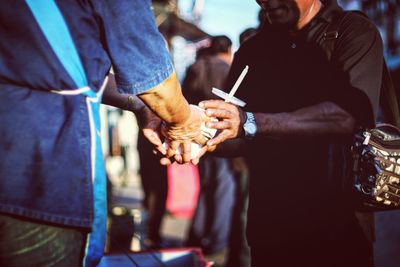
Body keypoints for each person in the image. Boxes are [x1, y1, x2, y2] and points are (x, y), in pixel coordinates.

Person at [0, 1, 207, 266]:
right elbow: (154, 82)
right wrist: (184, 120)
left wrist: (142, 107)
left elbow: (83, 77)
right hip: (42, 171)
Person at [199, 0, 383, 266]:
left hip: (337, 228)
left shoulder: (353, 31)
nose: (268, 2)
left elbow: (345, 116)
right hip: (271, 225)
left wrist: (252, 122)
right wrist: (197, 133)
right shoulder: (253, 50)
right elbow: (236, 134)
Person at [182, 36, 237, 259]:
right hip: (223, 136)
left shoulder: (196, 68)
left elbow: (183, 100)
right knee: (223, 188)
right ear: (228, 49)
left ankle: (196, 235)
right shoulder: (228, 69)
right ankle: (217, 241)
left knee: (205, 185)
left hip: (198, 134)